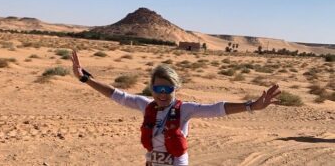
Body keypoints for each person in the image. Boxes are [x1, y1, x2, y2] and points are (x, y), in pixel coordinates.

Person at [71, 50, 281, 166]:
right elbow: (116, 94)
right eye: (158, 88)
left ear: (175, 88)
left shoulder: (186, 110)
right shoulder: (146, 105)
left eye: (168, 88)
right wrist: (85, 78)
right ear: (152, 88)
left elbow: (217, 108)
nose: (163, 93)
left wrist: (252, 106)